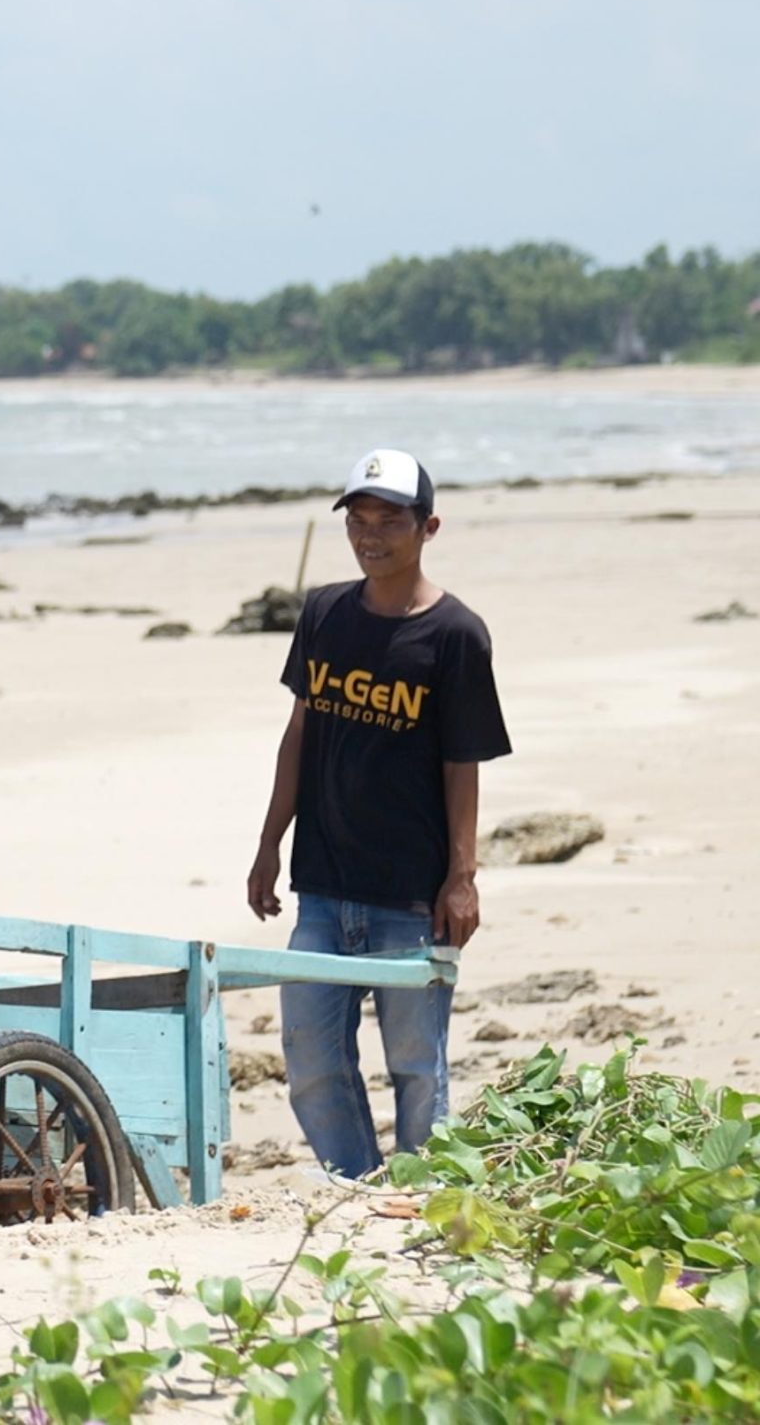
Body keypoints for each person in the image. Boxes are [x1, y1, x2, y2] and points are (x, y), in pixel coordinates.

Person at [246, 450, 511, 1178]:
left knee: (416, 1068)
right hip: (324, 885)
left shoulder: (457, 635)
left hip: (409, 897)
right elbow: (302, 730)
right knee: (309, 1056)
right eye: (358, 520)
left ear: (428, 526)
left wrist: (462, 878)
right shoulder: (325, 612)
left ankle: (422, 1191)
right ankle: (360, 1190)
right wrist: (270, 842)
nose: (371, 535)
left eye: (389, 521)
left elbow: (464, 763)